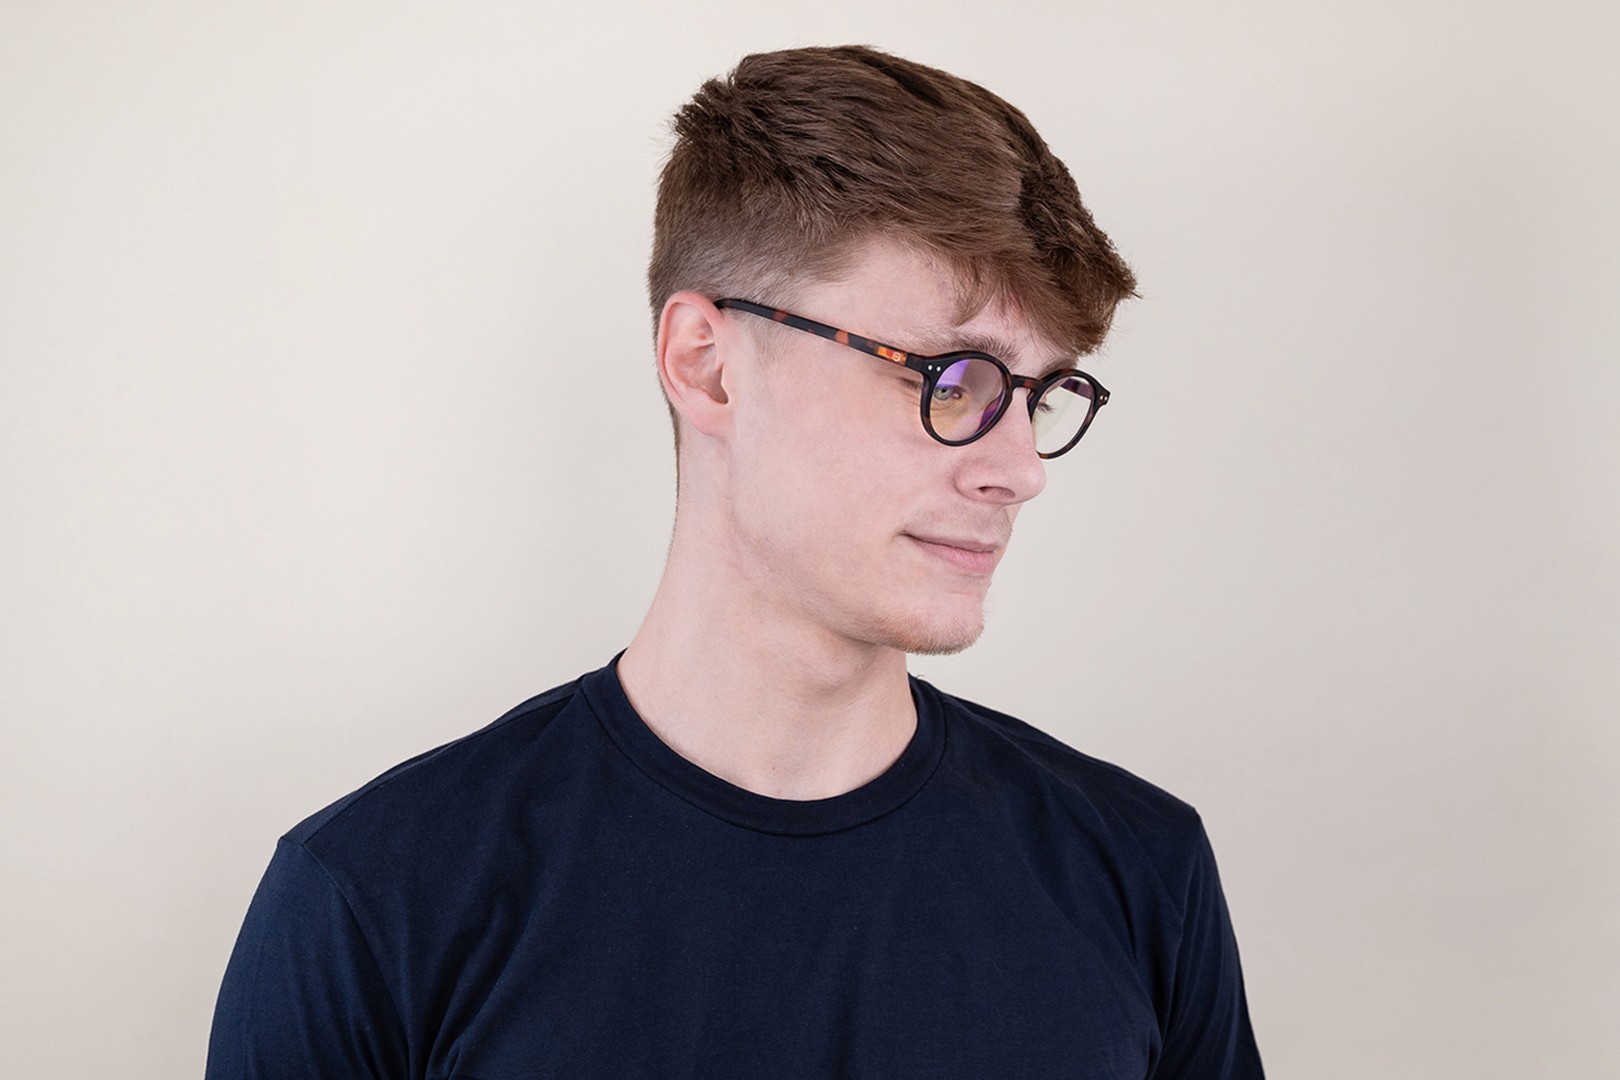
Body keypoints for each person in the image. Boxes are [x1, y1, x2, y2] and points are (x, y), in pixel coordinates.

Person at [207, 45, 1263, 1079]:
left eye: (1040, 395)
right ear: (707, 366)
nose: (1020, 469)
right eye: (953, 378)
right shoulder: (376, 901)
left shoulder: (1140, 871)